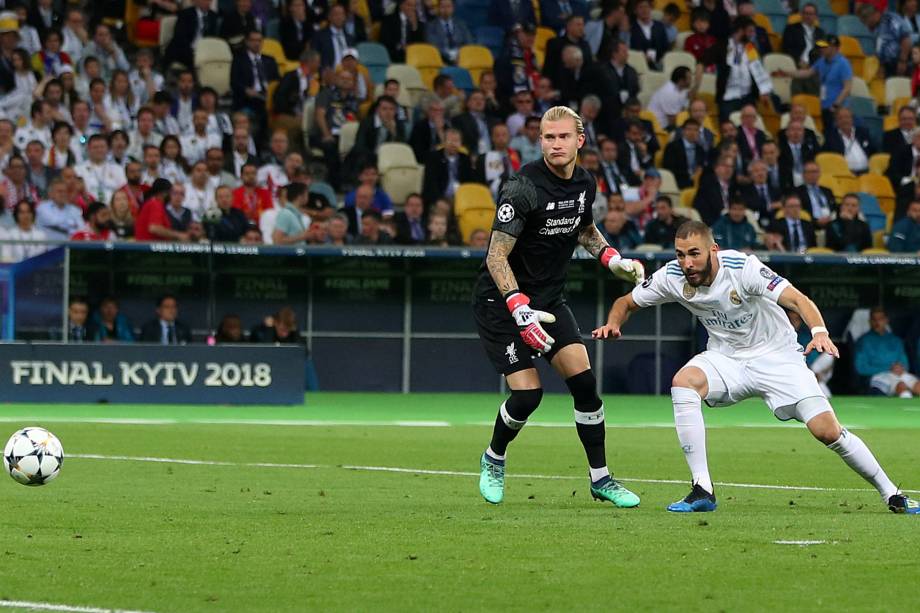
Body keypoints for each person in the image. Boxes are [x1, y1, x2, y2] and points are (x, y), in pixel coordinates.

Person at [596, 220, 920, 515]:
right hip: (727, 359)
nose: (687, 263)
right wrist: (613, 324)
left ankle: (892, 493)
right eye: (680, 255)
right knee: (684, 382)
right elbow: (626, 303)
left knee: (827, 431)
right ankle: (702, 489)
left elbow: (797, 299)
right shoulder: (672, 276)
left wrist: (819, 332)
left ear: (713, 250)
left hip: (778, 357)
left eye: (694, 254)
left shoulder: (743, 267)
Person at [472, 105, 644, 508]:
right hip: (501, 303)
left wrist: (611, 259)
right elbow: (496, 257)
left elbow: (584, 228)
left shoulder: (586, 183)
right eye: (548, 138)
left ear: (579, 140)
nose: (556, 144)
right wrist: (518, 308)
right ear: (540, 141)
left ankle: (600, 479)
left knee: (585, 385)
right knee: (528, 397)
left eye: (563, 137)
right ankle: (494, 457)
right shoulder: (522, 188)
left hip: (549, 300)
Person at [855, 306, 920, 398]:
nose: (877, 322)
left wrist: (900, 368)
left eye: (880, 319)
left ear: (886, 320)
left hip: (899, 373)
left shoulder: (896, 340)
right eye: (874, 319)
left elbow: (905, 364)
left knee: (917, 385)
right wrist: (888, 368)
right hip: (878, 376)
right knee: (901, 386)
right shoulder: (863, 341)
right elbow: (861, 368)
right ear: (870, 322)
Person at [823, 107, 875, 175]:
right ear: (836, 121)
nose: (844, 120)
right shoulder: (831, 137)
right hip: (845, 175)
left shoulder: (862, 132)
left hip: (867, 173)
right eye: (840, 118)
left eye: (847, 117)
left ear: (852, 119)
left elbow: (874, 151)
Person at [648, 66, 703, 131]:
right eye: (689, 78)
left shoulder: (681, 88)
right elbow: (673, 121)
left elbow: (690, 95)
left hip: (671, 123)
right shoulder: (669, 93)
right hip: (660, 128)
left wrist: (697, 83)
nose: (691, 80)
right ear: (681, 81)